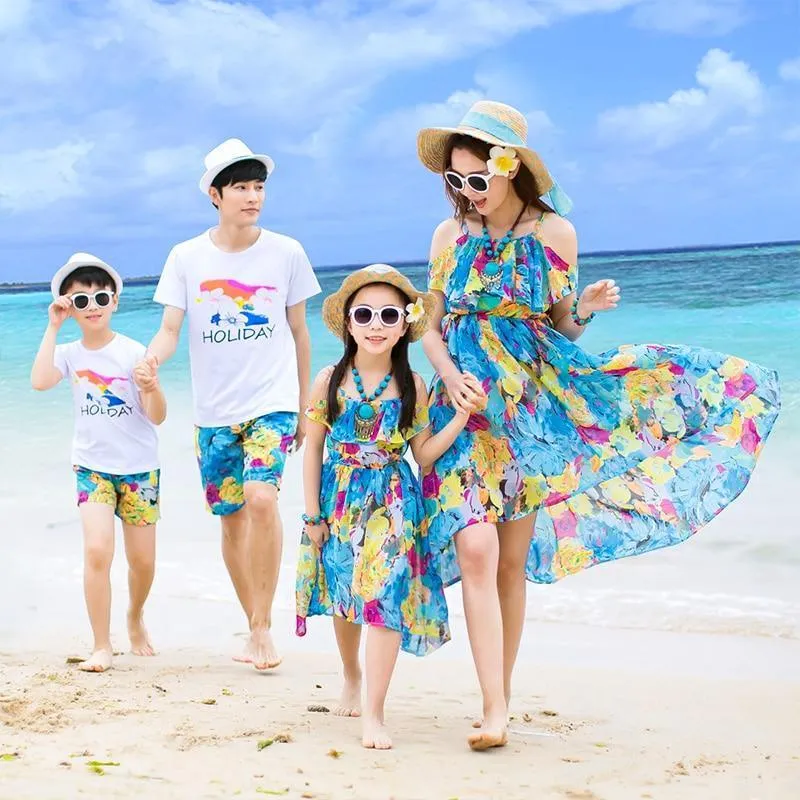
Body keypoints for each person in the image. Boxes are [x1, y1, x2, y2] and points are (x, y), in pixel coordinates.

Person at [416, 100, 781, 750]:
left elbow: (559, 329)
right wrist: (444, 374)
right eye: (455, 180)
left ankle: (499, 699)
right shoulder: (449, 238)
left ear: (510, 168)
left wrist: (582, 310)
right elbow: (430, 323)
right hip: (464, 406)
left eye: (477, 179)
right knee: (475, 547)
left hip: (531, 410)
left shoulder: (556, 233)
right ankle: (492, 704)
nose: (466, 192)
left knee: (510, 562)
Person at [144, 138, 321, 670]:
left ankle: (265, 626)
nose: (252, 196)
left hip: (272, 402)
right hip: (214, 414)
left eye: (259, 186)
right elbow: (170, 328)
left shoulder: (286, 252)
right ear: (216, 196)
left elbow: (300, 332)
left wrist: (308, 406)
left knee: (262, 498)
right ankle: (253, 625)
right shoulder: (187, 257)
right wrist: (152, 360)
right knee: (231, 519)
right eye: (241, 187)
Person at [295, 265, 469, 750]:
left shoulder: (413, 382)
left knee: (385, 598)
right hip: (338, 496)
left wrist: (460, 417)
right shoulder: (330, 380)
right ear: (349, 323)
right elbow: (312, 448)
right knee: (346, 595)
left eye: (387, 314)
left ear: (403, 324)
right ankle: (350, 674)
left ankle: (374, 712)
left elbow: (425, 453)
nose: (376, 324)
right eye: (364, 314)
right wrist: (312, 514)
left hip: (394, 499)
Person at [31, 253, 166, 673]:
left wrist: (153, 386)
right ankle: (101, 644)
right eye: (81, 301)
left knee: (142, 562)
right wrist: (52, 327)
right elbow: (39, 382)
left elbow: (157, 415)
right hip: (91, 468)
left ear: (114, 303)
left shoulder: (133, 352)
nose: (93, 307)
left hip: (140, 467)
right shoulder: (69, 353)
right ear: (69, 308)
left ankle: (135, 616)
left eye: (100, 297)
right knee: (96, 550)